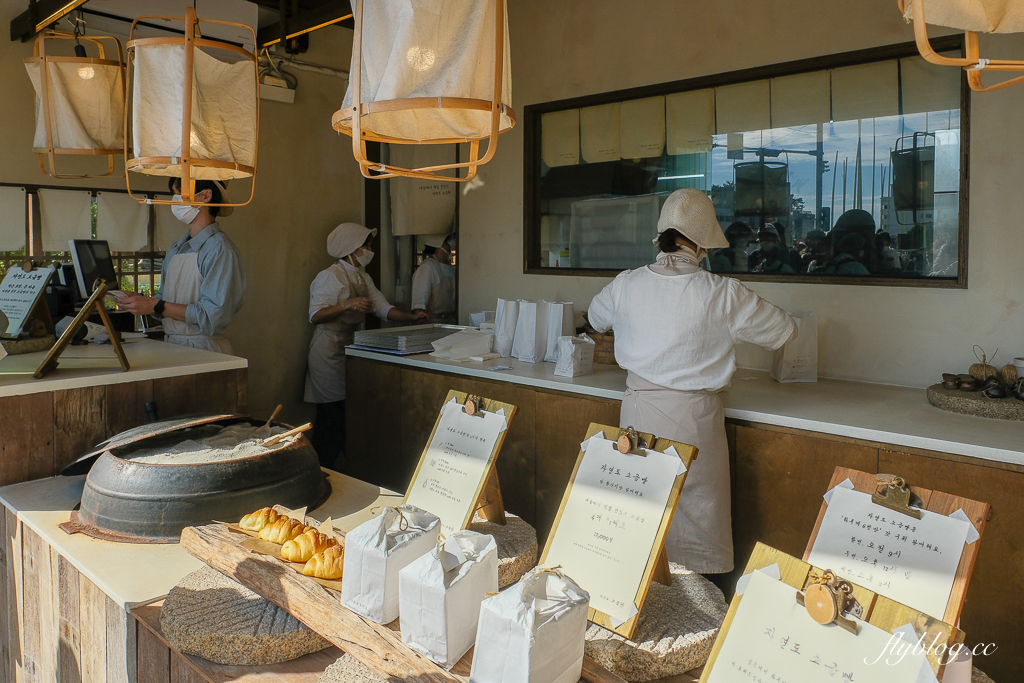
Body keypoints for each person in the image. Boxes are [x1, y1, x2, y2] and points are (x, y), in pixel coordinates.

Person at [587, 188, 795, 581]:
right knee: (696, 518)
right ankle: (697, 618)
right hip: (693, 419)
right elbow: (784, 330)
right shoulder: (722, 293)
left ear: (661, 237)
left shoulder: (626, 284)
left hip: (637, 414)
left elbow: (596, 319)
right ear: (702, 245)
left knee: (640, 510)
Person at [304, 222, 428, 470]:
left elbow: (383, 308)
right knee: (334, 415)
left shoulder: (363, 277)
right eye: (366, 245)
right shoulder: (329, 276)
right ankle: (326, 468)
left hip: (349, 347)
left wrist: (412, 317)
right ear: (351, 248)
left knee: (342, 414)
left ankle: (327, 468)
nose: (369, 250)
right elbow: (315, 315)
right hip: (327, 350)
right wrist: (346, 305)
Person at [117, 178, 245, 353]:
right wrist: (142, 302)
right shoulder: (176, 249)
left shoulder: (219, 249)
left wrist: (155, 305)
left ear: (206, 195)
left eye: (179, 193)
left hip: (205, 350)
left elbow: (212, 316)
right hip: (172, 344)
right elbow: (164, 300)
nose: (174, 200)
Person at [411, 234, 456, 324]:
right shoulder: (427, 268)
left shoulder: (452, 269)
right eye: (448, 239)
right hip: (432, 324)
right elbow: (419, 310)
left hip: (450, 323)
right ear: (438, 243)